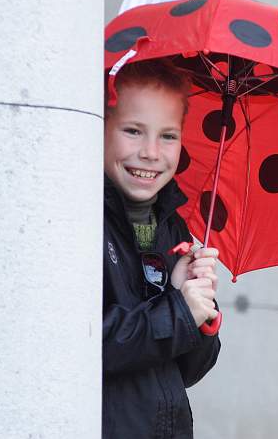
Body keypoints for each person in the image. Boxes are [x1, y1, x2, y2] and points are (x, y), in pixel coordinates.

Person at [102, 58, 221, 438]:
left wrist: (200, 314)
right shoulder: (78, 222)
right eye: (134, 131)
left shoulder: (171, 227)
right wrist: (178, 313)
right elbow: (85, 343)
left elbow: (186, 372)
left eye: (168, 136)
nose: (152, 152)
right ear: (99, 127)